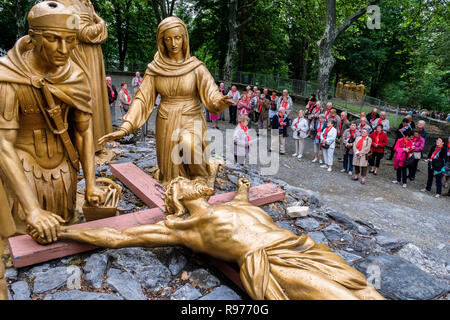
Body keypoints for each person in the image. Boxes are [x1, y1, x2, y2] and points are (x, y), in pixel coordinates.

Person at [32, 176, 385, 300]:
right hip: (272, 264)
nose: (189, 179)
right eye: (180, 181)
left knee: (366, 291)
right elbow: (116, 236)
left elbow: (243, 200)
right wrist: (63, 230)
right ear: (177, 199)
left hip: (303, 248)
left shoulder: (233, 203)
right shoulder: (182, 228)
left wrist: (244, 189)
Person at [0, 1, 105, 300]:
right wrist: (32, 210)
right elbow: (3, 145)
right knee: (23, 229)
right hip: (21, 166)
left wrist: (92, 184)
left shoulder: (76, 76)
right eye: (53, 39)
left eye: (70, 41)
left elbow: (84, 133)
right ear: (32, 37)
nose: (63, 48)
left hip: (62, 172)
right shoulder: (7, 76)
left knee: (60, 228)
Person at [99, 17, 233, 186]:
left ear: (184, 39)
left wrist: (219, 103)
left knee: (188, 143)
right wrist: (126, 127)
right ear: (161, 41)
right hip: (166, 120)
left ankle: (199, 178)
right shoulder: (156, 69)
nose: (173, 43)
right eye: (168, 39)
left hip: (191, 117)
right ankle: (174, 182)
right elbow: (142, 99)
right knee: (170, 175)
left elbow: (211, 92)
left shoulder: (196, 67)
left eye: (177, 38)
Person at [56, 0, 112, 152]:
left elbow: (100, 35)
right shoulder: (66, 2)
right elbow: (83, 33)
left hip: (91, 56)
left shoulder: (87, 3)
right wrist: (101, 22)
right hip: (80, 56)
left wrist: (98, 27)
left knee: (95, 97)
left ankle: (95, 144)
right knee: (86, 97)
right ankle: (84, 146)